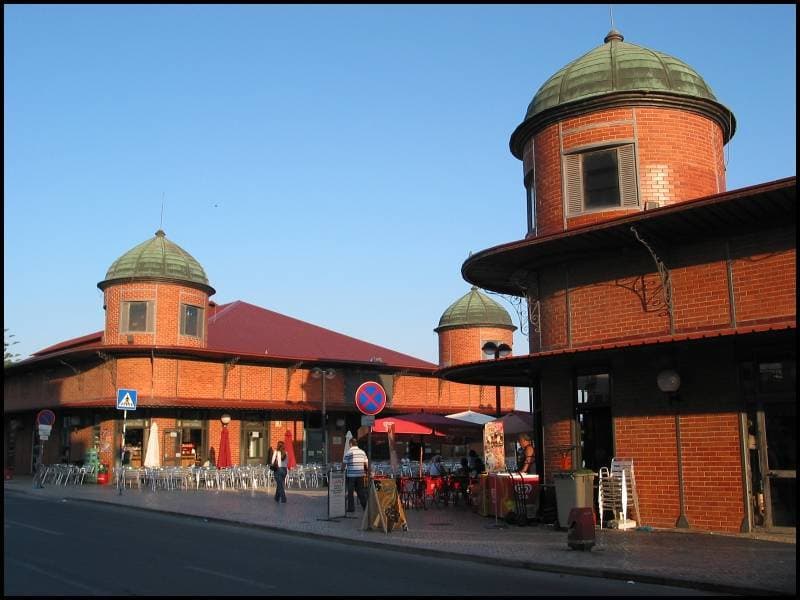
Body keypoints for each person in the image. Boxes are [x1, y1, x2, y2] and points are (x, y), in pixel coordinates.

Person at [343, 438, 369, 512]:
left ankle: (351, 508)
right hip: (360, 475)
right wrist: (368, 472)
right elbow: (366, 464)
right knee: (361, 491)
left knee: (350, 492)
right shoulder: (362, 452)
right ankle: (365, 507)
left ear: (351, 444)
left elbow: (344, 464)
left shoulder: (348, 453)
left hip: (351, 476)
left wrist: (342, 470)